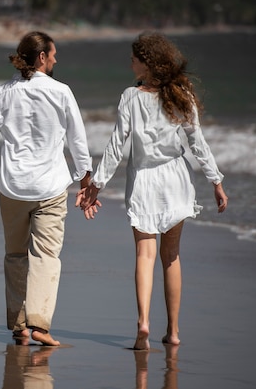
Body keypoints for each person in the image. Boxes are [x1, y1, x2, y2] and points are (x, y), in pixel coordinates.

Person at [78, 32, 228, 350]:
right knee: (171, 256)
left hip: (144, 182)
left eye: (133, 59)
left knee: (144, 255)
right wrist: (216, 181)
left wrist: (97, 185)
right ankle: (172, 331)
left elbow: (117, 145)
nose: (130, 63)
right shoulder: (181, 93)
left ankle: (143, 324)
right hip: (175, 180)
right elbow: (197, 142)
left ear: (146, 63)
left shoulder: (130, 97)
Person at [0, 31, 98, 346]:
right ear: (41, 57)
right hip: (50, 187)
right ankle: (40, 325)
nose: (55, 60)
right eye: (53, 55)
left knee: (15, 255)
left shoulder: (0, 94)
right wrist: (86, 183)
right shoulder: (62, 92)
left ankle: (19, 326)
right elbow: (78, 142)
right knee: (46, 256)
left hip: (11, 187)